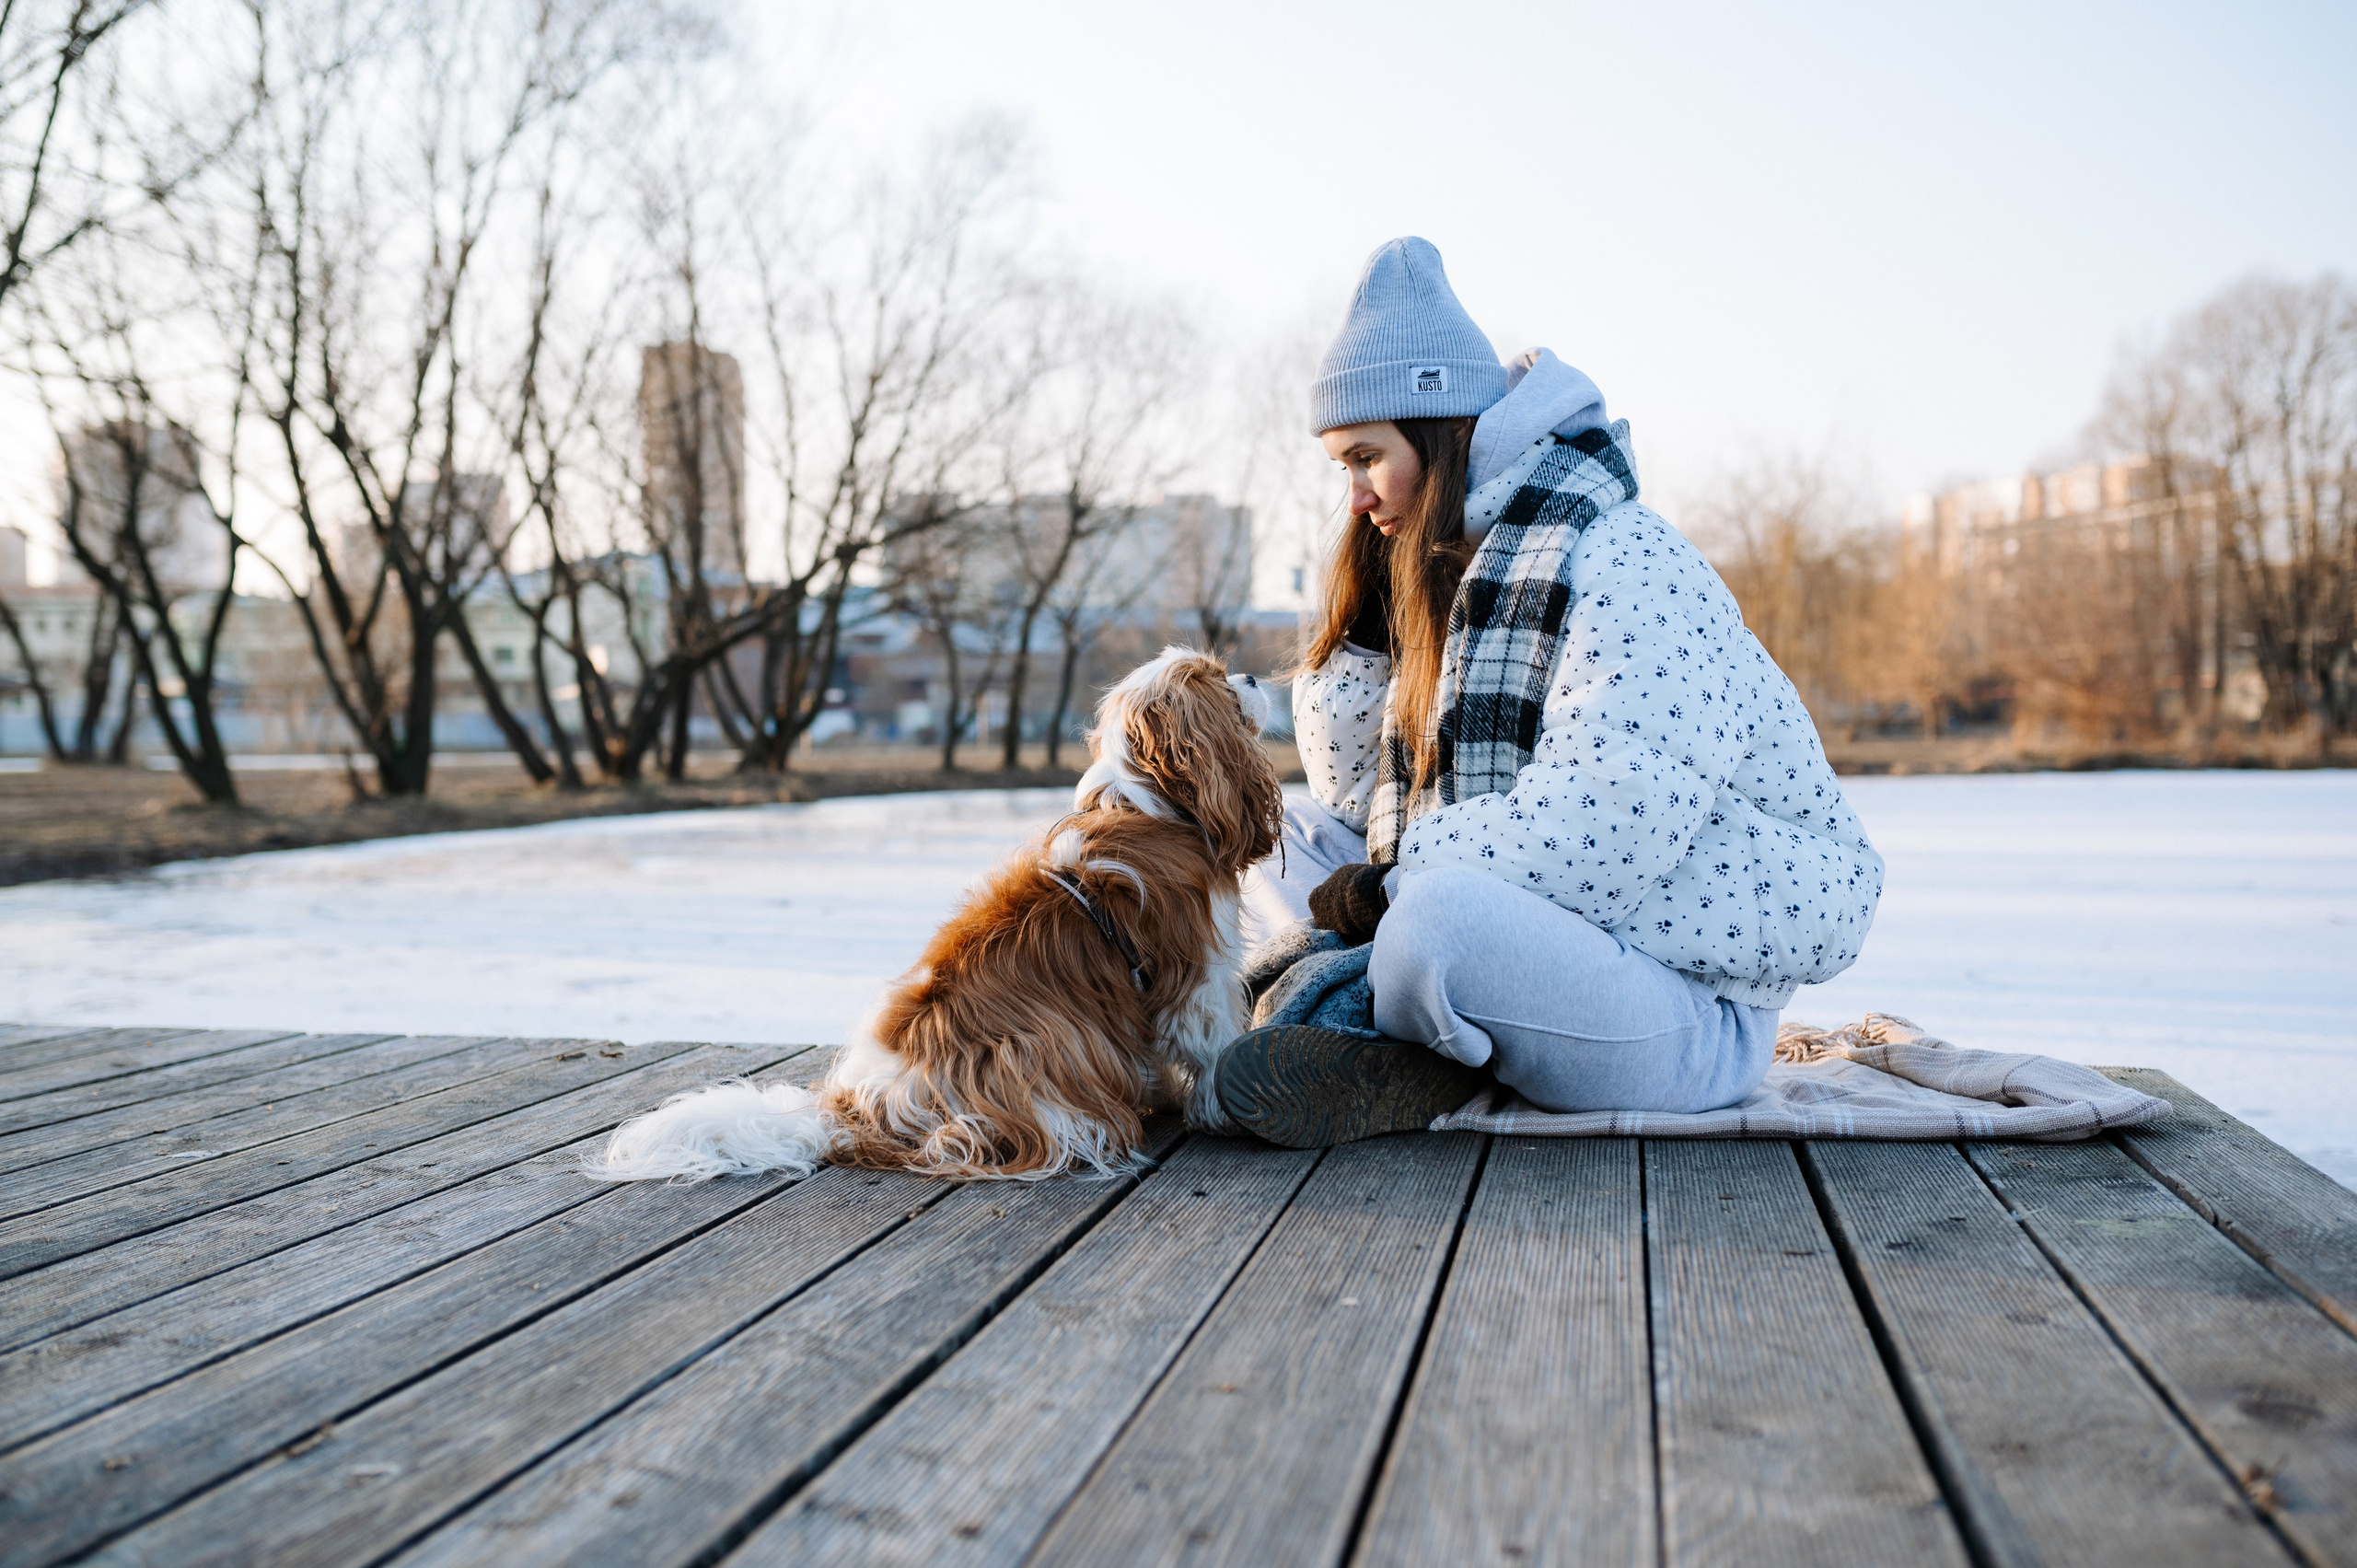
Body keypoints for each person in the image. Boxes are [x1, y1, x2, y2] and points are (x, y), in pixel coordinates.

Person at [1216, 237, 1886, 1148]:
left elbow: (1607, 827)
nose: (1357, 499)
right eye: (1342, 467)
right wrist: (1369, 631)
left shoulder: (1623, 555)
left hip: (1685, 1004)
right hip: (1541, 953)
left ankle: (1371, 1033)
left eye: (1367, 458)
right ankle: (1395, 1053)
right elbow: (1350, 811)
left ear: (1444, 432)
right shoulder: (1458, 573)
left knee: (1432, 927)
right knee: (1268, 841)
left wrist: (1392, 887)